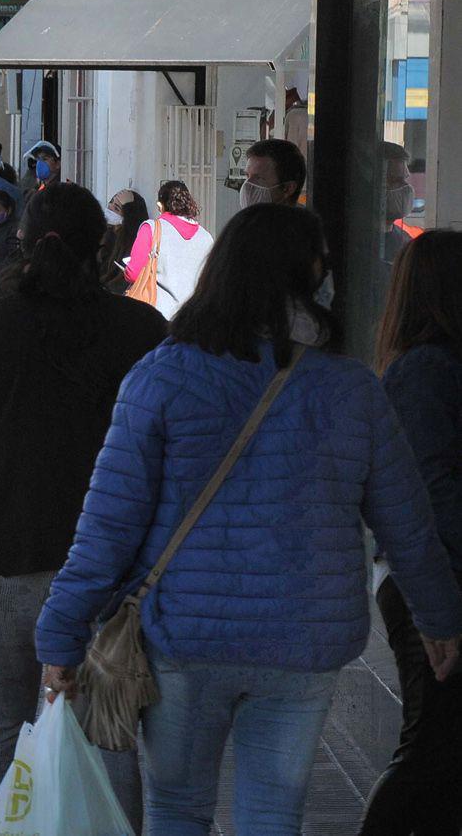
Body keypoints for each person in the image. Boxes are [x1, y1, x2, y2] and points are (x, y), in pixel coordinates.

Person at [35, 204, 462, 835]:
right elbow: (408, 524)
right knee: (273, 813)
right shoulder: (351, 390)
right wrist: (440, 619)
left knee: (177, 810)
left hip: (185, 637)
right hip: (304, 640)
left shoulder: (162, 377)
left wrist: (61, 635)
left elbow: (108, 525)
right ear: (309, 277)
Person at [0, 183, 166, 832]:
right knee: (108, 732)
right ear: (102, 247)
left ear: (21, 243)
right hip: (104, 569)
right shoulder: (141, 331)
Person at [361, 231, 462, 835]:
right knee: (433, 751)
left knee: (442, 754)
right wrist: (441, 607)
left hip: (432, 579)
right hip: (434, 585)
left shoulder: (429, 365)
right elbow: (432, 493)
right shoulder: (428, 369)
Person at [125, 180, 214, 319]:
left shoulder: (151, 228)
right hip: (194, 318)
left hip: (158, 317)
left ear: (160, 205)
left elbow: (133, 274)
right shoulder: (206, 237)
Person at [97, 188, 149, 293]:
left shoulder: (131, 245)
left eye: (116, 208)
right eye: (111, 203)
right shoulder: (106, 234)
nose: (110, 208)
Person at [241, 138, 306, 208]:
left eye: (258, 178)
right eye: (247, 176)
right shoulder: (247, 218)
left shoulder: (304, 219)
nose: (247, 186)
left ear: (288, 188)